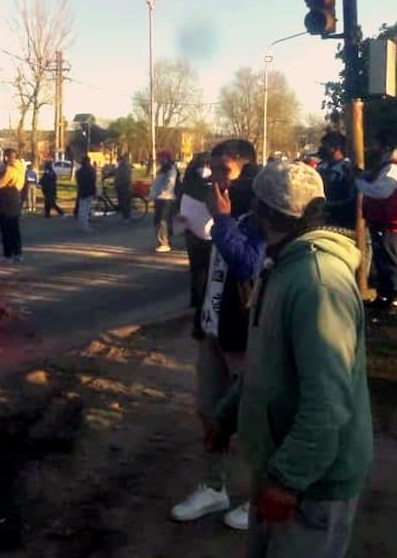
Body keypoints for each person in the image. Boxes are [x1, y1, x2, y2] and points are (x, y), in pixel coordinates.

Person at [212, 161, 372, 558]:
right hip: (281, 464)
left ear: (265, 213)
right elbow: (268, 362)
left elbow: (327, 401)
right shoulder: (284, 263)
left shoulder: (317, 282)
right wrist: (227, 413)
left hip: (311, 484)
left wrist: (288, 480)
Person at [171, 141, 264, 532]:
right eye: (212, 170)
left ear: (247, 170)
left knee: (257, 419)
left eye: (224, 170)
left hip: (244, 336)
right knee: (210, 412)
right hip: (213, 329)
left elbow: (247, 266)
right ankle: (214, 486)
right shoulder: (218, 207)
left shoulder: (259, 214)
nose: (215, 178)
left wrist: (223, 220)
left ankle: (261, 498)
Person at [357, 138, 397, 310]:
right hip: (385, 218)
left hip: (389, 219)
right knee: (383, 258)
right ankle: (385, 294)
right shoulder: (394, 166)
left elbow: (381, 191)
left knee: (389, 258)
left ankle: (393, 296)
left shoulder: (394, 168)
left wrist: (359, 184)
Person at [177, 153, 215, 328]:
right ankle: (200, 301)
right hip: (207, 233)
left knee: (196, 268)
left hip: (191, 230)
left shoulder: (187, 185)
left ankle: (195, 299)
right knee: (206, 270)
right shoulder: (211, 187)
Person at [317, 132, 357, 229]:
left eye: (325, 146)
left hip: (342, 220)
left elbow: (350, 197)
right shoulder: (321, 167)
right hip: (323, 219)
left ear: (336, 148)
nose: (322, 149)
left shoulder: (348, 169)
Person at [0, 149, 26, 262]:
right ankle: (18, 253)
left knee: (5, 228)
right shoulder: (21, 168)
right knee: (14, 228)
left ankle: (8, 254)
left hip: (6, 198)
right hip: (16, 197)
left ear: (7, 157)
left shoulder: (9, 169)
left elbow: (0, 183)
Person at [148, 151, 179, 252]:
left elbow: (170, 183)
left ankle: (164, 242)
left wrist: (161, 193)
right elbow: (157, 183)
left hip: (166, 198)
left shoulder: (171, 169)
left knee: (163, 220)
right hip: (160, 198)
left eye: (160, 158)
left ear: (166, 158)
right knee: (161, 220)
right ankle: (165, 241)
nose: (159, 160)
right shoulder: (162, 170)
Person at [75, 154, 96, 233]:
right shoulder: (91, 170)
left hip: (82, 191)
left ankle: (83, 224)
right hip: (89, 191)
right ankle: (85, 226)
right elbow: (93, 180)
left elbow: (78, 182)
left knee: (82, 209)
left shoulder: (79, 172)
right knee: (86, 209)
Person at [114, 154, 134, 221]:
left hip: (125, 187)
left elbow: (127, 178)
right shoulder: (118, 168)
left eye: (119, 160)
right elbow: (113, 172)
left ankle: (127, 217)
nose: (118, 162)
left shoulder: (126, 168)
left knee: (126, 203)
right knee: (121, 203)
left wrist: (127, 185)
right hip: (119, 187)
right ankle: (124, 217)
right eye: (118, 161)